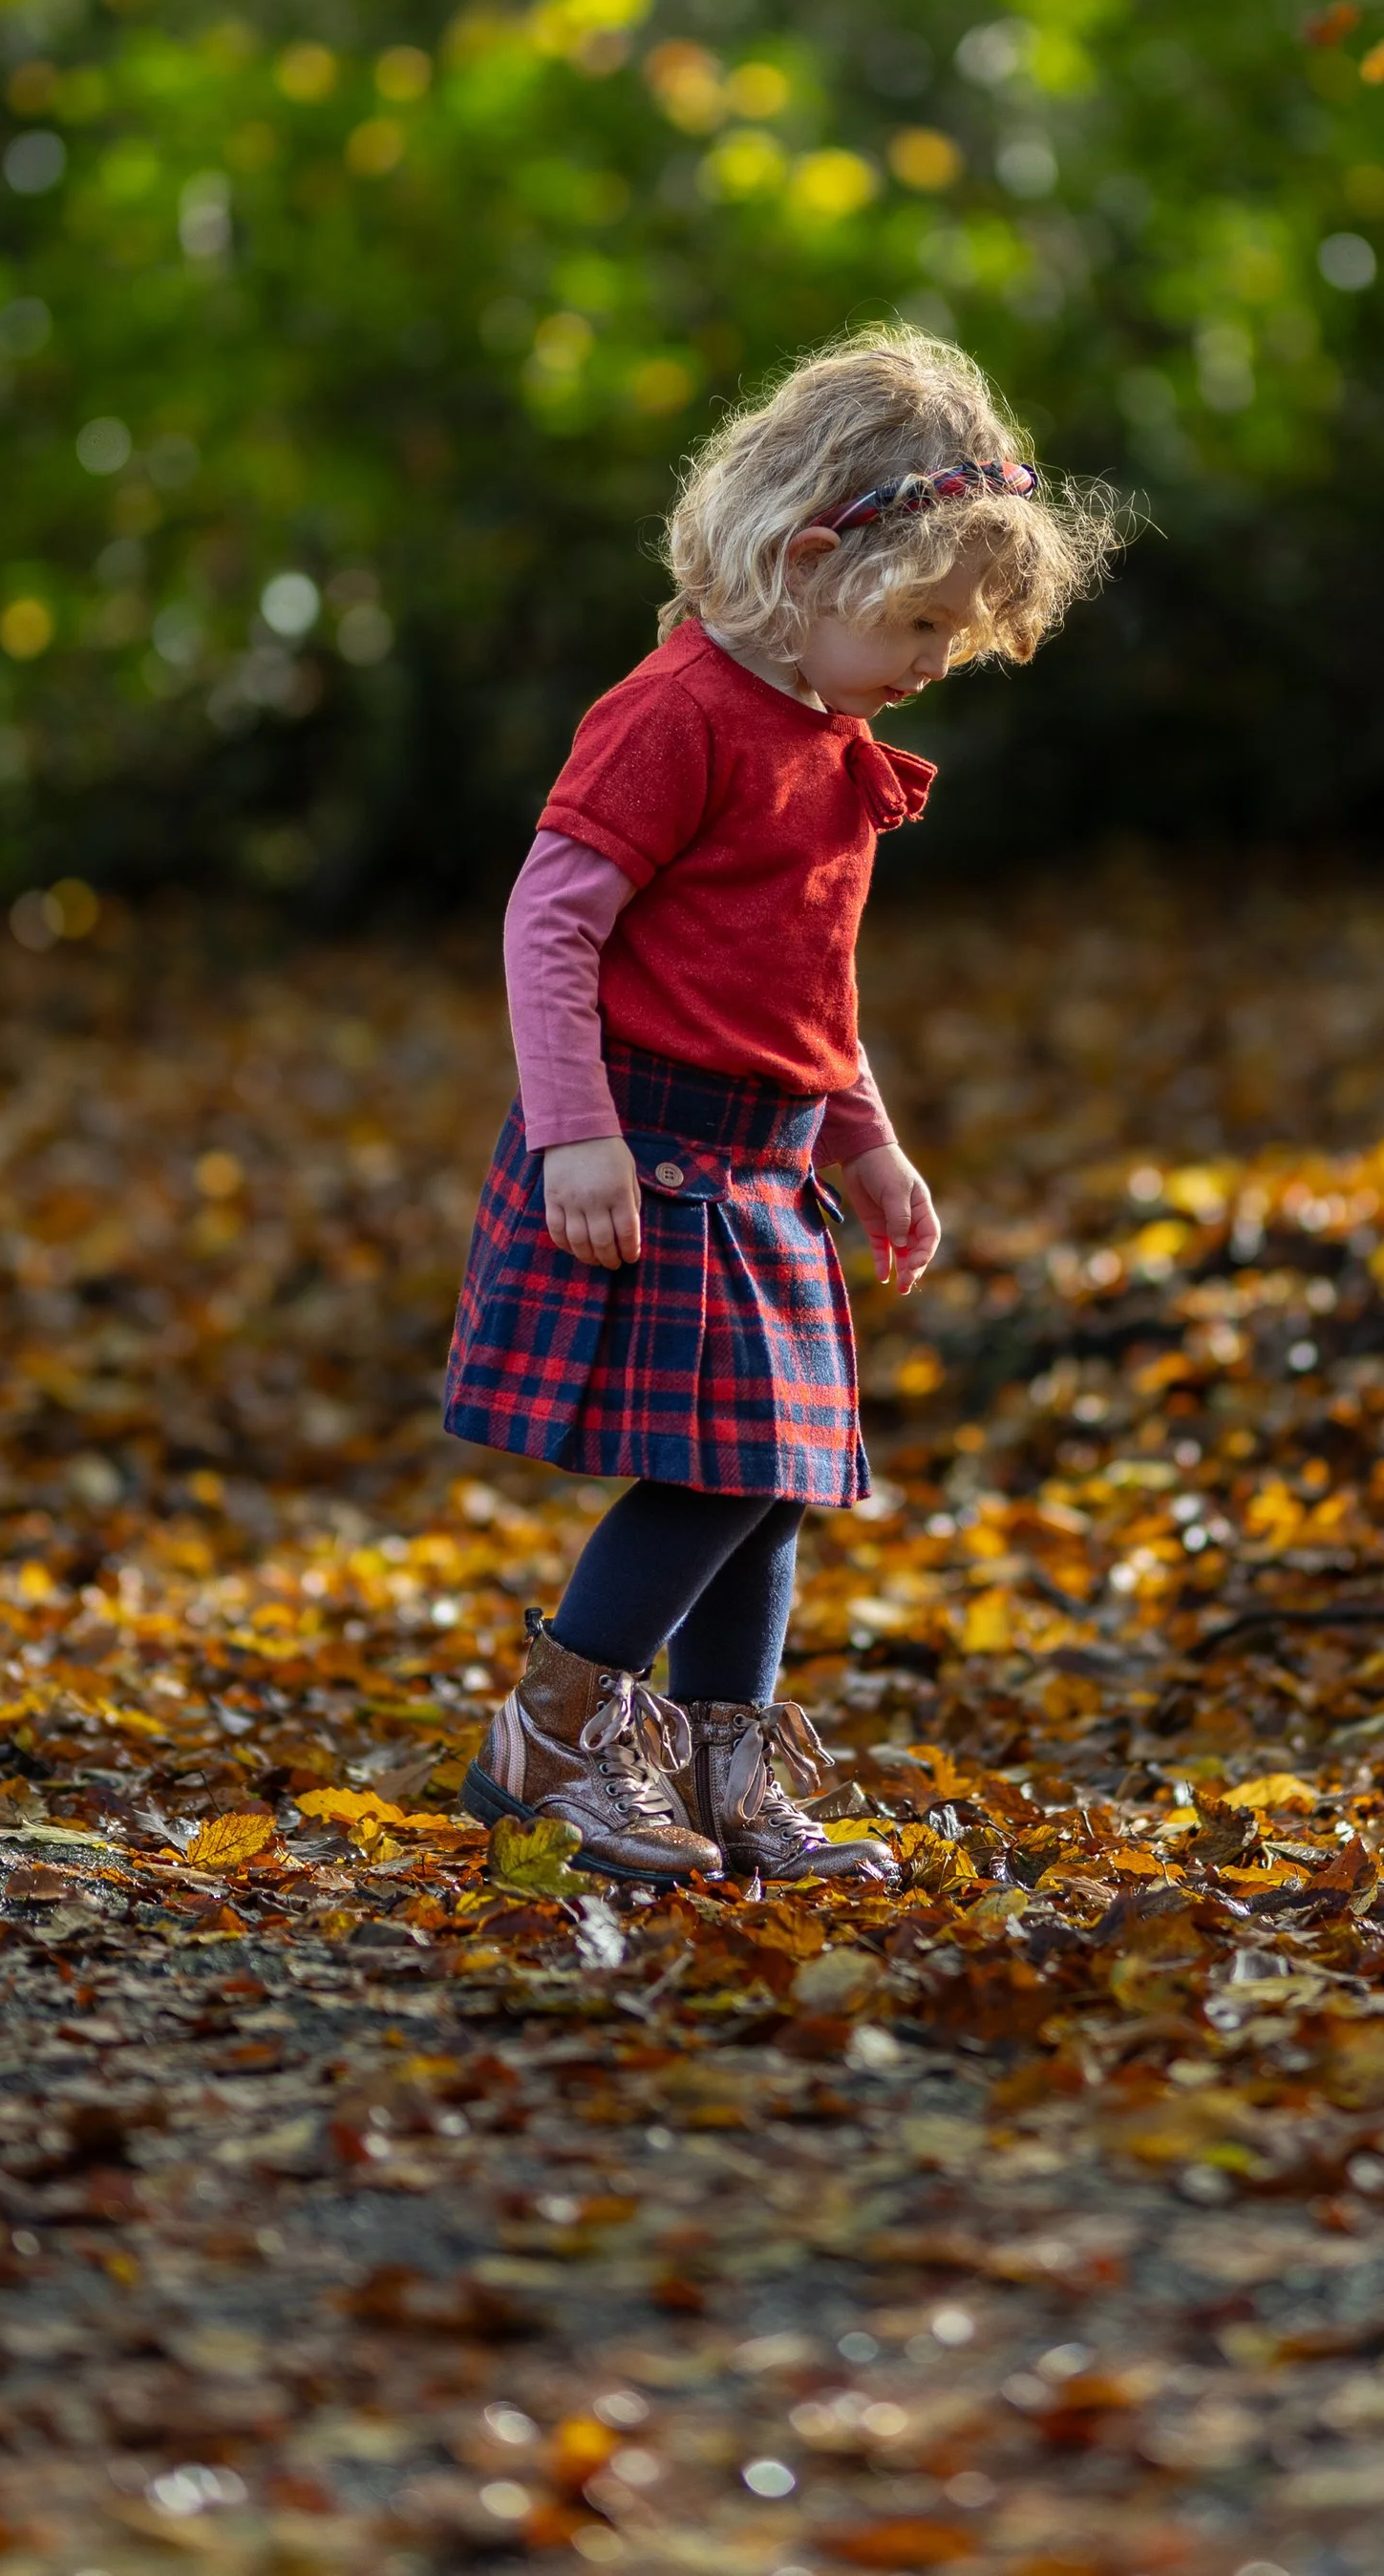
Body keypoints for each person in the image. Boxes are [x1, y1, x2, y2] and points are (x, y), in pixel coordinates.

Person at [445, 324, 1117, 1885]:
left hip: (767, 1166)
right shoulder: (676, 713)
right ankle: (546, 1749)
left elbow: (805, 979)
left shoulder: (834, 738)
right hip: (653, 1154)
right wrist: (577, 1129)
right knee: (719, 1470)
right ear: (810, 557)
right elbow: (550, 921)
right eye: (919, 619)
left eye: (961, 634)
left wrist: (868, 1143)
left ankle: (725, 1766)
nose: (934, 660)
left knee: (777, 1485)